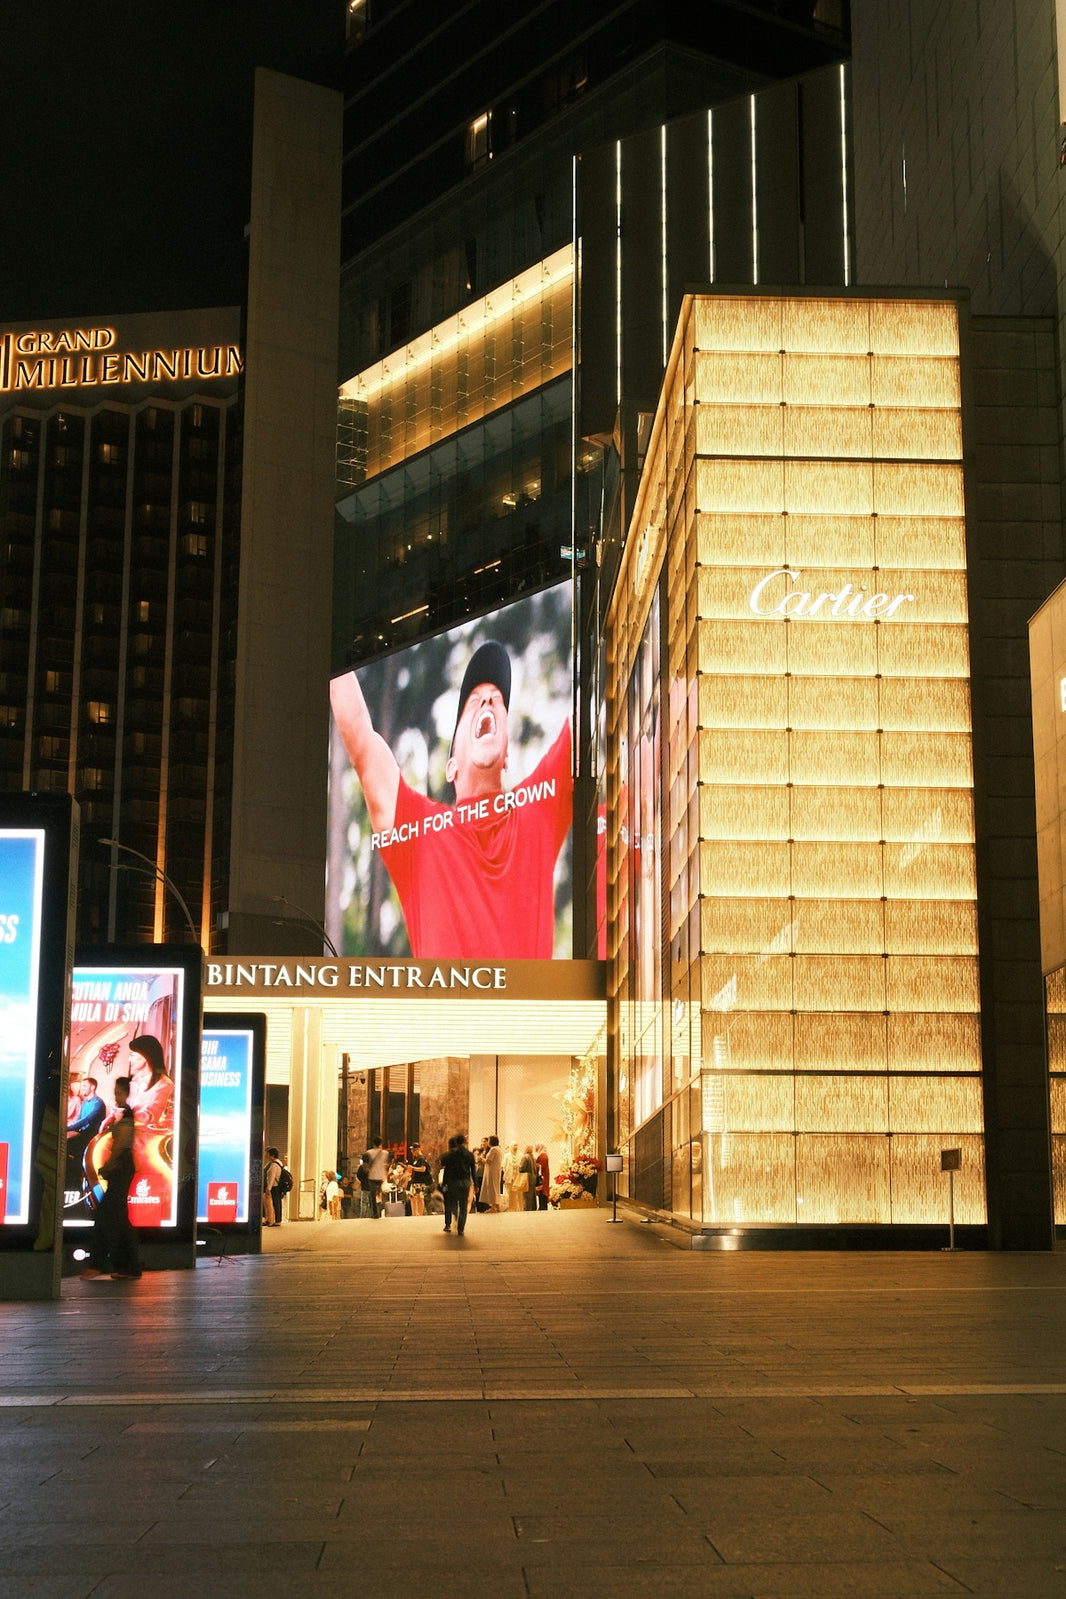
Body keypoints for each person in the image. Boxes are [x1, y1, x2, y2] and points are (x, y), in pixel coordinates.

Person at [330, 639, 572, 958]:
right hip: (447, 1010)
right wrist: (329, 636)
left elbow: (594, 701)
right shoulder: (420, 832)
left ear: (507, 756)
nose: (487, 698)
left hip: (526, 1009)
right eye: (473, 701)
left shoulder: (538, 813)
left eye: (496, 700)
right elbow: (360, 738)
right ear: (451, 767)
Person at [83, 1077, 141, 1280]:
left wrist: (108, 1168)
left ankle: (101, 1264)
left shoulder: (126, 1115)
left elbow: (122, 1147)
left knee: (106, 1216)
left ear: (127, 1093)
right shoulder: (125, 1114)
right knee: (118, 1218)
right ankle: (127, 1266)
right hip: (123, 1169)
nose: (116, 1095)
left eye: (119, 1091)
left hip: (120, 1170)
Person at [66, 1075, 107, 1198]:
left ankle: (74, 1182)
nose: (81, 1088)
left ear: (92, 1087)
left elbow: (86, 1120)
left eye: (84, 1085)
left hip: (90, 1138)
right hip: (81, 1134)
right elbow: (79, 1121)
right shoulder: (84, 1103)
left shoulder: (98, 1103)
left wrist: (66, 1128)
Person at [128, 1035, 173, 1127]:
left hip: (146, 1136)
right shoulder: (134, 1080)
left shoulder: (164, 1084)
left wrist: (124, 1115)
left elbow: (151, 1116)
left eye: (132, 1055)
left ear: (145, 1056)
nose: (129, 1059)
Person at [439, 1133, 477, 1235]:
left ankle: (453, 1217)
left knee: (453, 1202)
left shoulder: (451, 1155)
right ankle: (461, 1228)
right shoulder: (469, 1154)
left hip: (453, 1183)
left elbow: (446, 1168)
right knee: (464, 1206)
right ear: (464, 1142)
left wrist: (444, 1183)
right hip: (465, 1183)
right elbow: (473, 1170)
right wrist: (476, 1184)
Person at [365, 1138, 390, 1217]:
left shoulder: (368, 1153)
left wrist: (368, 1170)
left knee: (372, 1195)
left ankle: (375, 1213)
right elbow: (388, 1163)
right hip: (380, 1176)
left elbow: (365, 1164)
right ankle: (380, 1210)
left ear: (373, 1144)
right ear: (380, 1144)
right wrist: (385, 1170)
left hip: (372, 1176)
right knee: (379, 1194)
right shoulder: (385, 1153)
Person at [479, 1134, 503, 1213]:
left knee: (491, 1188)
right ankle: (497, 1206)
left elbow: (488, 1161)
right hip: (495, 1171)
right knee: (495, 1188)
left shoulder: (493, 1149)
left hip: (491, 1172)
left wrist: (481, 1158)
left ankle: (493, 1206)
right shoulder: (499, 1149)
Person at [408, 1142, 431, 1216]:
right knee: (412, 1197)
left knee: (420, 1197)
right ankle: (414, 1213)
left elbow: (423, 1169)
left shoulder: (421, 1158)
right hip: (414, 1181)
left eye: (414, 1150)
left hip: (420, 1181)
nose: (412, 1152)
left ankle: (420, 1213)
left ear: (418, 1149)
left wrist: (413, 1168)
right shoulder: (416, 1159)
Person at [263, 1146, 284, 1225]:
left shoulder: (274, 1165)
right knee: (277, 1203)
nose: (266, 1156)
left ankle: (277, 1221)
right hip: (278, 1186)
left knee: (276, 1203)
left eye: (267, 1154)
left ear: (272, 1155)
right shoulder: (279, 1162)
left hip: (275, 1186)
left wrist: (269, 1188)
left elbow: (272, 1177)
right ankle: (278, 1220)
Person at [503, 1140, 523, 1211]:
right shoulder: (507, 1156)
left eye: (516, 1145)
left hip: (518, 1178)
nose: (515, 1147)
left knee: (519, 1194)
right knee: (511, 1194)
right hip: (510, 1177)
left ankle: (520, 1209)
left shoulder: (521, 1155)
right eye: (514, 1145)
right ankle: (512, 1208)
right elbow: (504, 1166)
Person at [519, 1144, 538, 1212]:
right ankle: (533, 1209)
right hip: (533, 1178)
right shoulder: (533, 1158)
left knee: (526, 1197)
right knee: (532, 1196)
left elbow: (521, 1168)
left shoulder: (525, 1157)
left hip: (527, 1179)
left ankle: (527, 1210)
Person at [534, 1143, 550, 1211]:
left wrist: (534, 1164)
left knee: (543, 1191)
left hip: (543, 1177)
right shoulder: (543, 1155)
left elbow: (541, 1166)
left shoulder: (543, 1155)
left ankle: (542, 1207)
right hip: (544, 1176)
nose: (535, 1148)